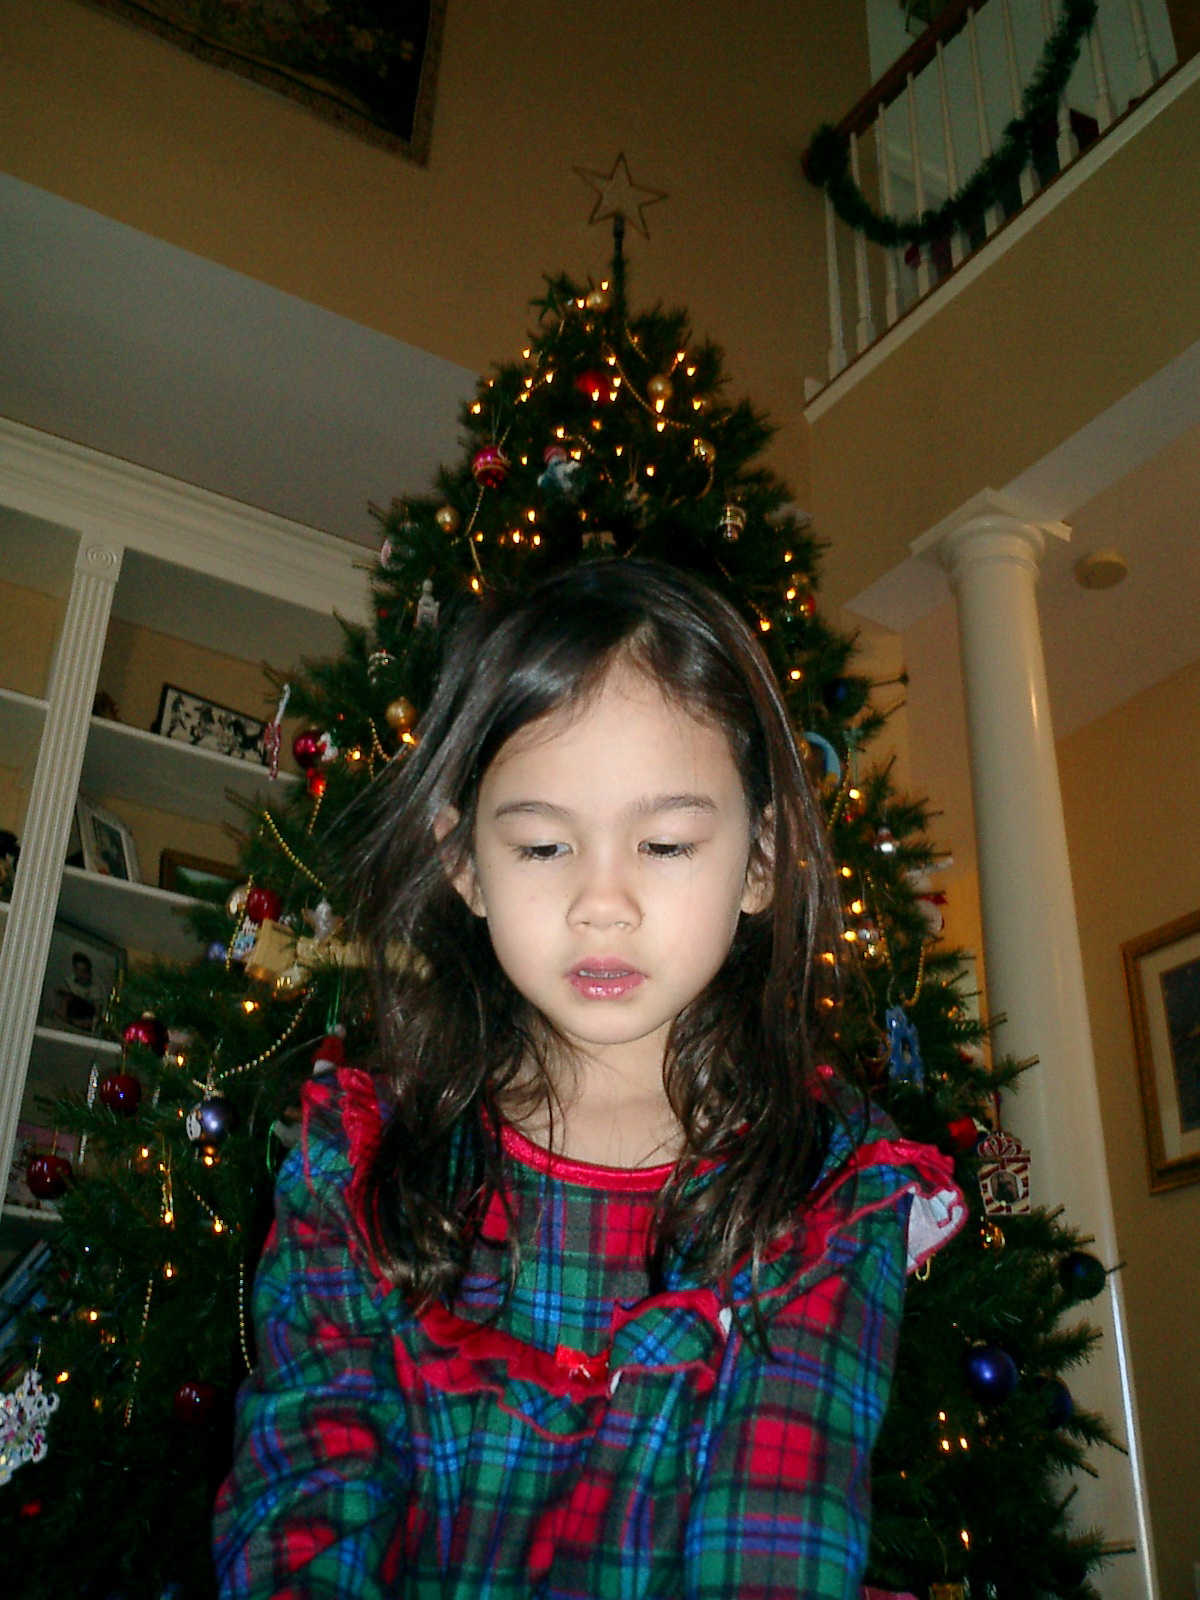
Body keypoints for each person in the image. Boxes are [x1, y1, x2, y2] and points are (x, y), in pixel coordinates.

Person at [214, 558, 965, 1599]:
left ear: (760, 861)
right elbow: (306, 1490)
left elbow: (777, 1537)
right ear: (465, 865)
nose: (600, 903)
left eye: (664, 842)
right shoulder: (357, 1155)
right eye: (541, 846)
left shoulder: (833, 1187)